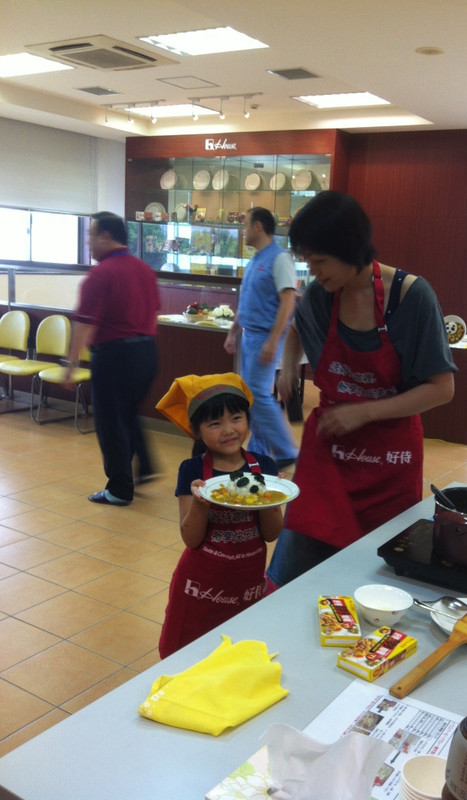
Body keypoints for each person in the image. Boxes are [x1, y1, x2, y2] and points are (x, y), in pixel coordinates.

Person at [266, 191, 457, 587]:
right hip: (330, 455)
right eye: (307, 262)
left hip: (390, 459)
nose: (313, 272)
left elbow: (442, 388)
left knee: (378, 577)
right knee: (290, 572)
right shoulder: (322, 293)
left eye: (320, 261)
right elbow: (299, 328)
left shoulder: (410, 296)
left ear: (349, 248)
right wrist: (288, 367)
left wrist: (365, 410)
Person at [155, 373, 283, 658]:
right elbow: (191, 539)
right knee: (189, 654)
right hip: (200, 586)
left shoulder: (264, 466)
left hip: (246, 581)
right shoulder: (192, 470)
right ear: (197, 431)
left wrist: (270, 499)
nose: (228, 430)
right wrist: (201, 502)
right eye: (215, 423)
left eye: (236, 418)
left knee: (234, 650)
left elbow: (272, 534)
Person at [64, 211, 160, 506]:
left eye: (91, 235)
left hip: (115, 355)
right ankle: (144, 464)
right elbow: (154, 310)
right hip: (147, 353)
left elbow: (85, 323)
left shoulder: (100, 274)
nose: (89, 242)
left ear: (106, 236)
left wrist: (71, 364)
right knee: (127, 414)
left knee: (110, 422)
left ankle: (119, 489)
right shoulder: (144, 269)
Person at [224, 207, 298, 471]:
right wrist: (234, 331)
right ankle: (258, 451)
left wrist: (273, 340)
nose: (243, 231)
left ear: (258, 227)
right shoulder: (255, 260)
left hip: (266, 337)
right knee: (250, 395)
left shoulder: (279, 259)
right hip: (249, 336)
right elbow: (245, 302)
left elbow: (288, 301)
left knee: (256, 394)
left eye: (245, 225)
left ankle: (287, 450)